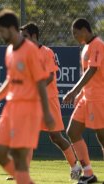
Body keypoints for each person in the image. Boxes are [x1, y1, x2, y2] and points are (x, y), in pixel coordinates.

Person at [0, 9, 54, 184]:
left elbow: (41, 82)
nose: (0, 34)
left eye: (1, 31)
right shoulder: (9, 51)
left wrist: (47, 113)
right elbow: (10, 80)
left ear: (11, 28)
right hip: (10, 108)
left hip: (28, 109)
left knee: (19, 157)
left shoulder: (31, 51)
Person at [19, 22, 82, 180]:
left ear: (34, 36)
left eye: (25, 37)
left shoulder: (47, 52)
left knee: (55, 137)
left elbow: (50, 76)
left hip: (49, 100)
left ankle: (75, 166)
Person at [63, 18, 104, 184]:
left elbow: (93, 70)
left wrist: (74, 91)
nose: (74, 35)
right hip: (87, 97)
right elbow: (87, 74)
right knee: (72, 131)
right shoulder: (86, 47)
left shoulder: (98, 45)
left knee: (102, 137)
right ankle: (88, 174)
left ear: (85, 30)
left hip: (99, 97)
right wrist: (80, 95)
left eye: (75, 32)